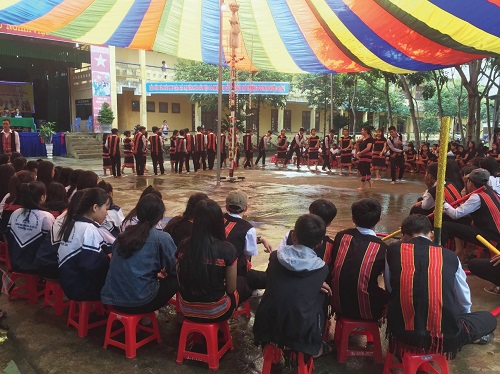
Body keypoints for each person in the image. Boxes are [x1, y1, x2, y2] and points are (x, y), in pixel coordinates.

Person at [385, 214, 497, 359]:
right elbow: (463, 298)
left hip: (400, 331)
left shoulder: (392, 252)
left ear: (404, 236)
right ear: (431, 235)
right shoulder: (450, 257)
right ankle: (471, 337)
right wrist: (463, 316)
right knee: (488, 318)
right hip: (442, 336)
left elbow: (390, 287)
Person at [253, 214, 331, 357]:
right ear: (320, 243)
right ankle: (314, 347)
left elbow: (272, 278)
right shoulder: (322, 268)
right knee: (323, 295)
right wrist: (317, 284)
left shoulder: (275, 257)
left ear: (293, 236)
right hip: (299, 333)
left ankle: (271, 345)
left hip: (265, 324)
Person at [101, 194, 178, 314]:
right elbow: (175, 269)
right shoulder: (161, 238)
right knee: (178, 277)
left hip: (112, 299)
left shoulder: (123, 235)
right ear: (160, 217)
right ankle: (183, 312)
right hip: (139, 301)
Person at [176, 199, 240, 322]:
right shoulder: (227, 250)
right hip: (216, 311)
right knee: (242, 284)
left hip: (186, 308)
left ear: (195, 221)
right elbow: (231, 288)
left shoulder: (183, 246)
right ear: (219, 222)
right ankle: (219, 333)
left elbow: (179, 278)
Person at [329, 198, 388, 321]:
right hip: (368, 309)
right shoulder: (382, 248)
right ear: (378, 220)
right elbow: (389, 282)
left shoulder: (341, 236)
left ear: (353, 219)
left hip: (336, 301)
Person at [58, 188, 114, 301]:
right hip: (81, 288)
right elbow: (92, 266)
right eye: (105, 208)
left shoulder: (72, 223)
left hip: (68, 282)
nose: (107, 213)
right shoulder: (89, 229)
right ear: (95, 207)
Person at [442, 168, 500, 259]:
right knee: (459, 219)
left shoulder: (477, 197)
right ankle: (460, 251)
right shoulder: (491, 191)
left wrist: (443, 202)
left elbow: (455, 214)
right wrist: (446, 211)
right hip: (493, 231)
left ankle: (436, 250)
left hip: (489, 236)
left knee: (445, 226)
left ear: (470, 183)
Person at [224, 191, 272, 300]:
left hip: (215, 265)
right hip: (234, 273)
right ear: (246, 208)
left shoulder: (218, 219)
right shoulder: (248, 228)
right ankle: (248, 288)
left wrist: (260, 239)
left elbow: (234, 237)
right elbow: (249, 253)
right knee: (269, 279)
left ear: (226, 207)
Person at [7, 182, 55, 276]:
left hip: (14, 262)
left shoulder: (15, 213)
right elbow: (51, 244)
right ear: (42, 198)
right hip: (36, 267)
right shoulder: (46, 217)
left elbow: (8, 236)